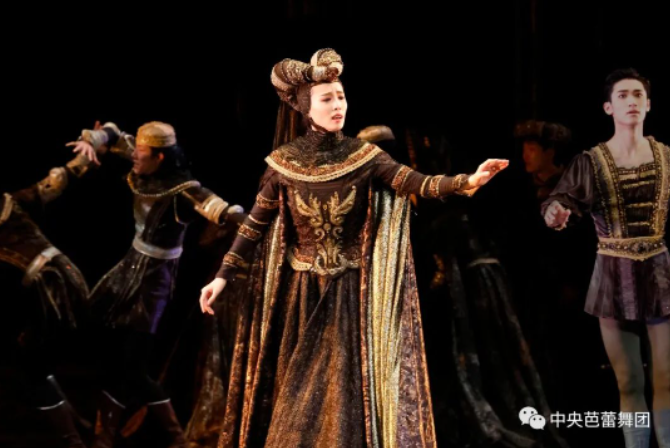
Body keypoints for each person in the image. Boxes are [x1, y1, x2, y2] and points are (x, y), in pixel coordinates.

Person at [199, 48, 508, 448]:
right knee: (299, 395)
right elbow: (255, 224)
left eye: (341, 97)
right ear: (306, 107)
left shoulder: (365, 158)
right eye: (327, 99)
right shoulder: (283, 164)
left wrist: (468, 181)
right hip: (301, 297)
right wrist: (222, 276)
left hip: (350, 294)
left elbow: (418, 183)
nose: (338, 105)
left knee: (345, 396)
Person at [70, 121, 243, 448]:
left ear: (160, 157)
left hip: (154, 281)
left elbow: (219, 208)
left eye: (142, 152)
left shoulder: (182, 190)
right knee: (109, 354)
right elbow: (113, 134)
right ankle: (102, 434)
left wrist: (252, 223)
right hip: (127, 271)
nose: (134, 156)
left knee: (134, 366)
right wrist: (93, 140)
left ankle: (172, 439)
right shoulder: (143, 158)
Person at [543, 68, 670, 448]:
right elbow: (561, 198)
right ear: (608, 107)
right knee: (629, 381)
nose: (631, 101)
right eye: (622, 96)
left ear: (649, 104)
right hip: (613, 275)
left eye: (637, 95)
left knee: (666, 378)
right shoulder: (592, 161)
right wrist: (555, 212)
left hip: (659, 272)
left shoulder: (666, 157)